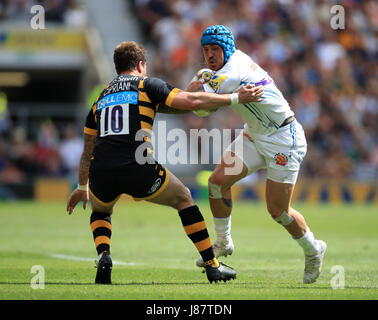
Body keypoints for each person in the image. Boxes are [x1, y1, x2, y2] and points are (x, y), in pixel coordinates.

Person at [65, 41, 264, 284]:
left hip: (101, 170)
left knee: (101, 211)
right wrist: (235, 98)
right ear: (140, 65)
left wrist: (82, 187)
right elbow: (189, 103)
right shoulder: (147, 84)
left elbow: (87, 152)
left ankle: (104, 255)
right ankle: (213, 266)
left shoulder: (100, 98)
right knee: (183, 199)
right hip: (137, 165)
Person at [191, 25, 327, 284]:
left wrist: (201, 77)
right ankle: (224, 242)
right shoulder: (222, 70)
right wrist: (202, 78)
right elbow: (201, 103)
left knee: (279, 211)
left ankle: (314, 249)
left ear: (227, 49)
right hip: (254, 135)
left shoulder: (234, 68)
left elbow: (202, 105)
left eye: (215, 49)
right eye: (205, 50)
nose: (209, 54)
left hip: (283, 139)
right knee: (217, 183)